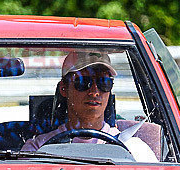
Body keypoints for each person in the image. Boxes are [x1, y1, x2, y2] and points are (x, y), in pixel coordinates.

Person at [21, 51, 157, 162]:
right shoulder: (38, 149)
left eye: (104, 83)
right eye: (82, 82)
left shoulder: (133, 148)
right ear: (64, 88)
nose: (94, 92)